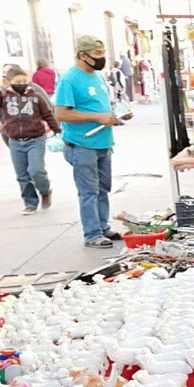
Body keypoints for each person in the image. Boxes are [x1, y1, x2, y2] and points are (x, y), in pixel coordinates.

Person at [54, 35, 122, 249]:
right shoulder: (69, 79)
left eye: (103, 53)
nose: (101, 58)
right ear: (82, 55)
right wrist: (96, 117)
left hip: (103, 142)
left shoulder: (98, 77)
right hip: (82, 144)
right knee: (88, 190)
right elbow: (61, 114)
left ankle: (103, 227)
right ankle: (92, 233)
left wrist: (111, 116)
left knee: (103, 188)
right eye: (97, 54)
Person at [1, 67, 60, 214]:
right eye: (16, 81)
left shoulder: (36, 96)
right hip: (15, 141)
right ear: (8, 82)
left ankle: (45, 191)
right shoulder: (4, 98)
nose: (21, 84)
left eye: (23, 80)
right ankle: (30, 202)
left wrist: (58, 131)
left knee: (36, 170)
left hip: (36, 139)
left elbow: (48, 114)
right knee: (22, 175)